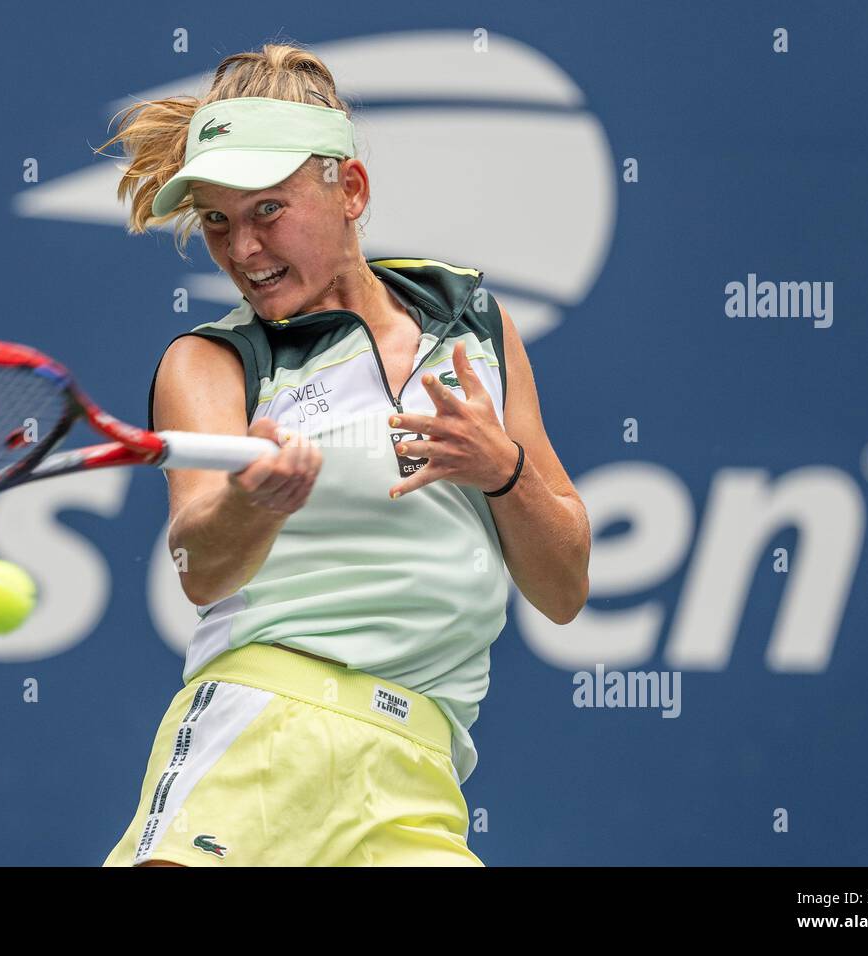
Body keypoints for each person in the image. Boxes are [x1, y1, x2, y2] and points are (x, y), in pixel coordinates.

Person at [100, 42, 590, 867]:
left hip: (419, 772)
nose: (242, 250)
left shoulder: (470, 321)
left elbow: (566, 587)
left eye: (267, 211)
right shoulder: (215, 362)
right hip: (258, 729)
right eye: (217, 221)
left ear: (350, 190)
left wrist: (499, 467)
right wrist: (253, 502)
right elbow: (200, 567)